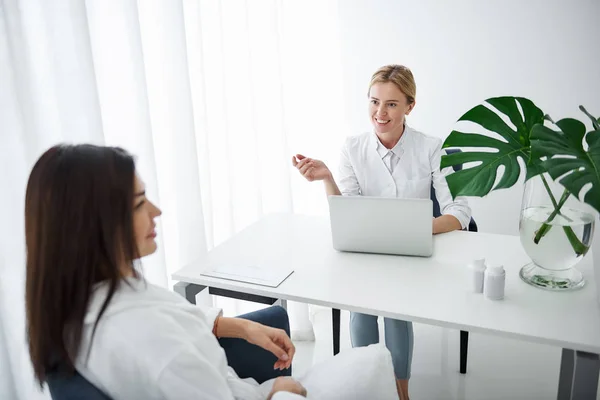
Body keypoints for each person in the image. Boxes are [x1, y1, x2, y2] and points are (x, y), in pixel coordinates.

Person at [25, 144, 399, 400]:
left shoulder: (90, 298)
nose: (156, 211)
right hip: (250, 392)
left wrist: (243, 328)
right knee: (374, 360)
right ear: (96, 224)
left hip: (243, 387)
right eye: (140, 203)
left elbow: (172, 317)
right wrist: (277, 392)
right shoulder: (153, 344)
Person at [292, 64, 472, 400]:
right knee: (361, 304)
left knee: (394, 307)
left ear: (410, 106)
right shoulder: (352, 148)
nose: (380, 112)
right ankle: (366, 386)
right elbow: (347, 215)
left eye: (391, 104)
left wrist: (416, 230)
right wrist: (328, 178)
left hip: (412, 253)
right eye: (374, 101)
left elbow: (459, 211)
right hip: (367, 251)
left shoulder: (431, 147)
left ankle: (400, 392)